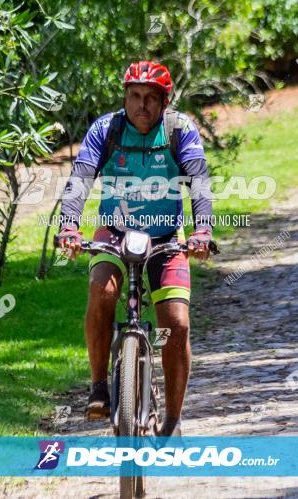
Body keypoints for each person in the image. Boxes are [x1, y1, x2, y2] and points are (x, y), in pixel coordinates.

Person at [56, 60, 214, 437]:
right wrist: (68, 226)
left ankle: (173, 419)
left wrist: (202, 230)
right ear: (125, 97)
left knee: (175, 323)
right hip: (114, 230)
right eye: (134, 96)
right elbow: (80, 179)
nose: (141, 105)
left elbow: (199, 181)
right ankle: (98, 387)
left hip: (166, 235)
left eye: (150, 98)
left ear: (164, 101)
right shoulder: (106, 129)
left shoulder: (180, 130)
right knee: (101, 289)